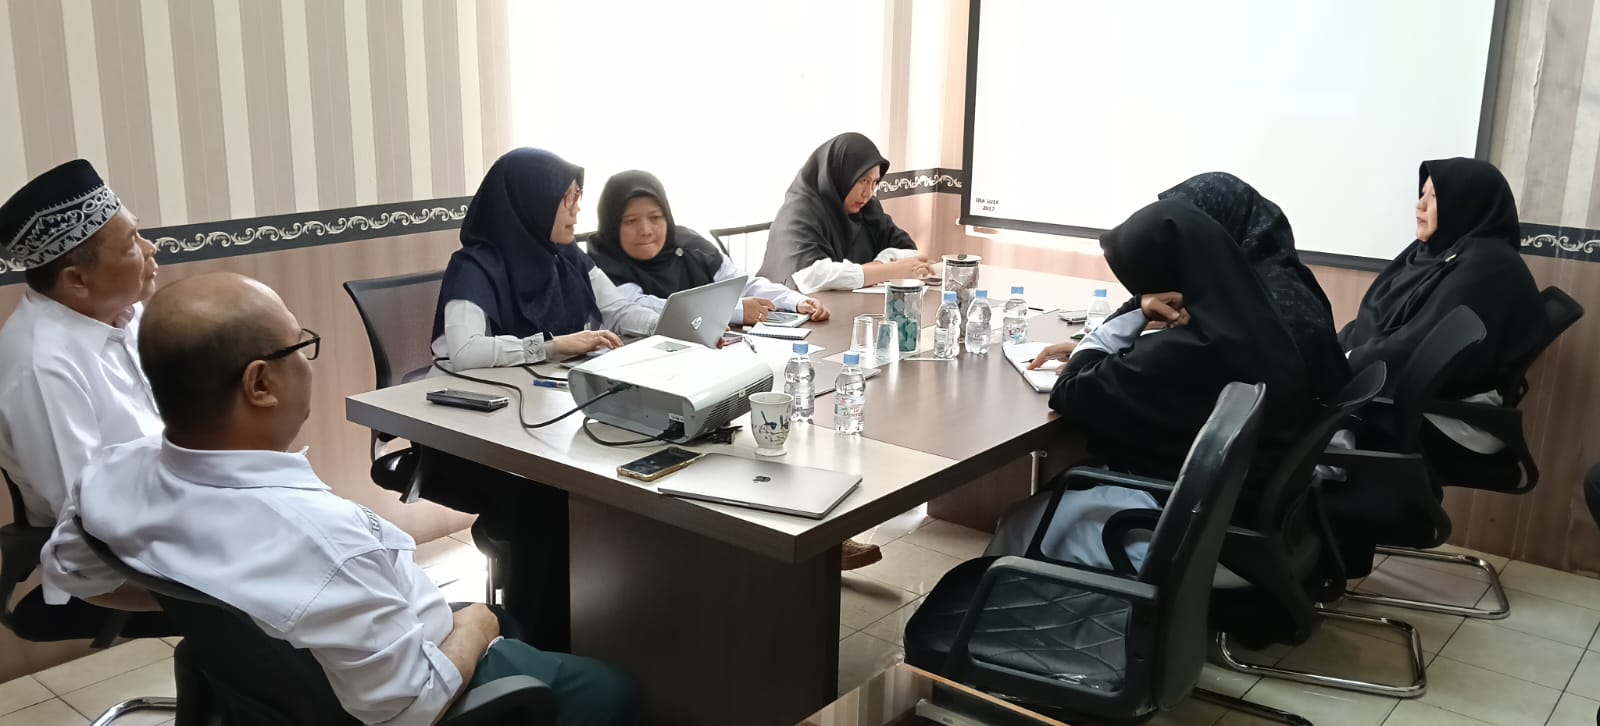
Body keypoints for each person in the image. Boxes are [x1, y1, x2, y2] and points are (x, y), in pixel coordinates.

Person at [40, 273, 637, 726]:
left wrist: (212, 605)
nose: (307, 360)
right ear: (260, 383)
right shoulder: (328, 543)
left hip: (285, 682)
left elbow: (75, 573)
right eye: (299, 345)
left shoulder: (108, 475)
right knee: (619, 689)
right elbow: (412, 707)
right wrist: (477, 626)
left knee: (514, 621)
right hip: (433, 683)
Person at [986, 197, 1338, 571]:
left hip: (1186, 535)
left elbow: (1069, 389)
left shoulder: (1184, 352)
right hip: (1244, 523)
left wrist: (1135, 309)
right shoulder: (1264, 330)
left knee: (1019, 523)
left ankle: (1004, 603)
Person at [0, 159, 172, 639]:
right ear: (77, 280)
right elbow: (90, 514)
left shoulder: (123, 314)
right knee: (276, 604)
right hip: (129, 555)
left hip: (178, 509)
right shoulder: (42, 367)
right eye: (132, 243)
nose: (150, 248)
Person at [1337, 158, 1542, 474]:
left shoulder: (1488, 267)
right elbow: (1382, 320)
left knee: (1319, 412)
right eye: (1422, 194)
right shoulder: (1436, 252)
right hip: (1427, 392)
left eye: (1434, 197)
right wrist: (1337, 354)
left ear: (1465, 204)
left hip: (1457, 411)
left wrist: (1347, 364)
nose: (1419, 205)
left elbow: (1423, 347)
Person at [588, 169, 830, 326]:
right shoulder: (603, 262)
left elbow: (741, 284)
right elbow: (637, 310)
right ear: (612, 224)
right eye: (631, 221)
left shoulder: (690, 245)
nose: (646, 230)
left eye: (655, 217)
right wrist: (734, 311)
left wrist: (794, 300)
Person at [757, 133, 933, 293]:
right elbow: (810, 276)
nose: (868, 193)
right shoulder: (797, 213)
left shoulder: (868, 209)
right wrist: (887, 271)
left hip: (841, 309)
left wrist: (879, 264)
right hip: (783, 313)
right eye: (863, 181)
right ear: (840, 175)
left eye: (874, 182)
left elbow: (912, 254)